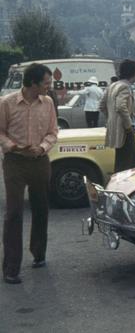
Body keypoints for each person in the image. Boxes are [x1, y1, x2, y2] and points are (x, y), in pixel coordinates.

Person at [0, 63, 58, 284]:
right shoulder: (7, 103)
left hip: (40, 161)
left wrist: (42, 147)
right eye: (46, 82)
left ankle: (39, 254)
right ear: (33, 83)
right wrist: (12, 146)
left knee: (41, 208)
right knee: (14, 214)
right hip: (15, 161)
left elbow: (53, 132)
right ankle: (11, 268)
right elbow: (1, 131)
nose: (49, 86)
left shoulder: (49, 102)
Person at [99, 59, 135, 173]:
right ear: (133, 74)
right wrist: (128, 126)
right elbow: (121, 107)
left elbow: (102, 106)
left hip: (116, 130)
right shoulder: (125, 87)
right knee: (128, 164)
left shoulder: (112, 86)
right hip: (125, 130)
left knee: (127, 161)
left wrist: (112, 120)